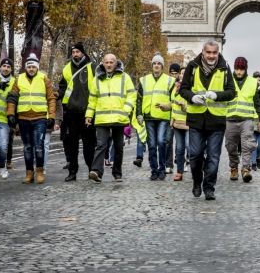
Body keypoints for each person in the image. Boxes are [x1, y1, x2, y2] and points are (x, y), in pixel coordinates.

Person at [179, 40, 236, 200]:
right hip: (196, 119)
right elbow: (183, 89)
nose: (211, 56)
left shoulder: (225, 68)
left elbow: (232, 92)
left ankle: (209, 187)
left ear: (218, 53)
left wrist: (217, 95)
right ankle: (197, 181)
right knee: (195, 154)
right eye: (208, 52)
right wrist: (192, 97)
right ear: (202, 52)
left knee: (213, 157)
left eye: (214, 53)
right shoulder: (191, 66)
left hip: (216, 120)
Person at [6, 54, 56, 184]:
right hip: (23, 118)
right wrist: (10, 114)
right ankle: (29, 173)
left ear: (37, 68)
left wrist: (51, 116)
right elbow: (12, 98)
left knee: (39, 146)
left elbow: (51, 99)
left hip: (40, 118)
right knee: (27, 147)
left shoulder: (44, 79)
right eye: (29, 67)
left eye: (34, 67)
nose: (31, 69)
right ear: (26, 68)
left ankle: (40, 171)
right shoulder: (18, 80)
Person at [87, 54, 136, 183]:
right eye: (106, 62)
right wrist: (89, 115)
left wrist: (126, 110)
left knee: (119, 146)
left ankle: (117, 173)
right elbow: (92, 99)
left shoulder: (125, 78)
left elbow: (132, 95)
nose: (108, 65)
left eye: (111, 62)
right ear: (103, 63)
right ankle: (97, 172)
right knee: (101, 145)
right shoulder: (96, 79)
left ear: (116, 63)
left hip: (119, 117)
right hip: (102, 118)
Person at [57, 42, 96, 181]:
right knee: (71, 143)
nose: (75, 54)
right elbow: (63, 87)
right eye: (73, 52)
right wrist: (61, 98)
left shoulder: (92, 67)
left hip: (87, 112)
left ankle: (92, 169)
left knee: (89, 144)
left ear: (83, 53)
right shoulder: (67, 68)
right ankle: (73, 171)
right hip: (71, 112)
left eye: (77, 52)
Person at [225, 57, 260, 183]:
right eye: (237, 69)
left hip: (246, 120)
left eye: (241, 69)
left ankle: (246, 169)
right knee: (231, 146)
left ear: (245, 69)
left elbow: (259, 103)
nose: (239, 72)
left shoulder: (253, 82)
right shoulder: (227, 81)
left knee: (247, 145)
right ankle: (234, 168)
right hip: (230, 119)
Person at [136, 52, 174, 180]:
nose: (157, 66)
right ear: (152, 65)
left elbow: (173, 99)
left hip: (163, 116)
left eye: (159, 64)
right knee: (151, 145)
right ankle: (154, 170)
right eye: (155, 63)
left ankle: (162, 168)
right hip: (149, 116)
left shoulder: (170, 80)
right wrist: (139, 114)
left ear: (162, 66)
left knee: (162, 142)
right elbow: (139, 98)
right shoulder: (144, 80)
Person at [171, 67, 189, 181]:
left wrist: (184, 107)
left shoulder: (192, 88)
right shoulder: (175, 87)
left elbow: (195, 106)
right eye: (181, 74)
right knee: (179, 148)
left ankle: (198, 169)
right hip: (177, 122)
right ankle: (179, 172)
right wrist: (165, 106)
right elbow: (172, 103)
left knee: (190, 147)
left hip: (189, 123)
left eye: (184, 74)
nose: (182, 75)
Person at [164, 63, 182, 174]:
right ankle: (169, 164)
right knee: (168, 141)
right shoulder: (167, 84)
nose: (174, 75)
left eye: (176, 73)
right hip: (169, 116)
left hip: (180, 117)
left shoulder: (181, 85)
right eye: (172, 73)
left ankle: (179, 160)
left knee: (181, 144)